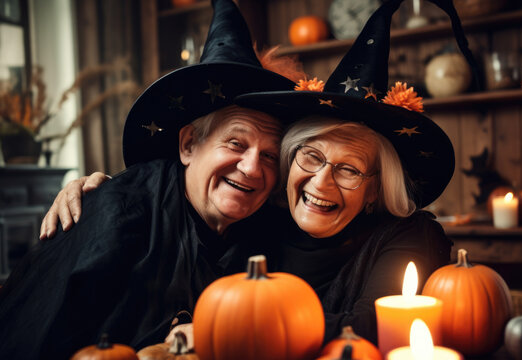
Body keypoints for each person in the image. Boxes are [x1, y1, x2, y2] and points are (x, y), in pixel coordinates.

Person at [37, 0, 479, 349]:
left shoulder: (408, 236)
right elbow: (173, 208)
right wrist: (107, 192)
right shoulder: (257, 220)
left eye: (348, 170)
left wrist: (223, 330)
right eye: (310, 157)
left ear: (375, 187)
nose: (321, 184)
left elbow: (378, 324)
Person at [0, 0, 298, 358]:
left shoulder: (273, 227)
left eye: (269, 155)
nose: (252, 168)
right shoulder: (114, 214)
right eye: (236, 143)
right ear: (189, 145)